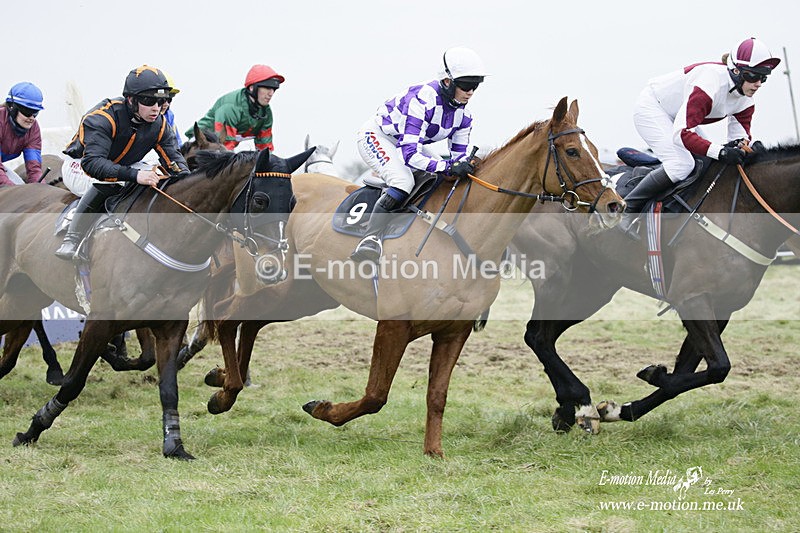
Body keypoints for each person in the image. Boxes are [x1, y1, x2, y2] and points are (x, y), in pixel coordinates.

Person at [620, 37, 781, 238]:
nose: (758, 84)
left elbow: (739, 139)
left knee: (706, 162)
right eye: (754, 76)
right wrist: (721, 151)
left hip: (681, 116)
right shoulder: (709, 83)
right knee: (682, 165)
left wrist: (744, 149)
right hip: (653, 108)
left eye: (764, 78)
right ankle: (627, 211)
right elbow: (682, 134)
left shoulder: (746, 100)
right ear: (736, 71)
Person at [350, 46, 487, 263]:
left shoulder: (464, 116)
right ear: (447, 82)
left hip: (410, 143)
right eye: (466, 85)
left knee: (439, 178)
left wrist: (464, 165)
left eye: (475, 86)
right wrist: (448, 166)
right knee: (403, 180)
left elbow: (457, 158)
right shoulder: (422, 100)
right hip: (379, 137)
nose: (470, 92)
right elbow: (410, 156)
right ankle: (370, 238)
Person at [55, 65, 189, 261]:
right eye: (149, 100)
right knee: (114, 181)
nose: (156, 108)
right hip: (81, 165)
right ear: (131, 99)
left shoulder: (160, 125)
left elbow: (175, 163)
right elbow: (94, 164)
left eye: (162, 102)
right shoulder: (103, 117)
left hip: (121, 164)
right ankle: (72, 238)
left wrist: (188, 183)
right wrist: (135, 175)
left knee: (158, 177)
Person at [185, 64, 284, 151]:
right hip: (199, 144)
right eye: (267, 88)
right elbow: (225, 145)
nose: (271, 93)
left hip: (221, 148)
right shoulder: (231, 107)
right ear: (252, 88)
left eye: (274, 89)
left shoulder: (266, 113)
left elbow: (264, 147)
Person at [0, 82, 45, 186]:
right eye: (27, 112)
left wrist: (41, 188)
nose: (32, 118)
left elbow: (34, 169)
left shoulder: (33, 130)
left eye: (35, 113)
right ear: (12, 107)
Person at [162, 73, 182, 147]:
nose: (166, 104)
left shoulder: (169, 116)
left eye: (169, 99)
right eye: (163, 99)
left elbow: (178, 145)